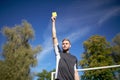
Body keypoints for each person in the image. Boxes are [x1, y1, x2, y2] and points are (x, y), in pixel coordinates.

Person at [51, 15, 80, 80]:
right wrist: (53, 22)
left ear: (70, 45)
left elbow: (76, 73)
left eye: (66, 43)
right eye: (63, 44)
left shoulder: (74, 58)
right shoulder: (58, 53)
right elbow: (54, 37)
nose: (64, 45)